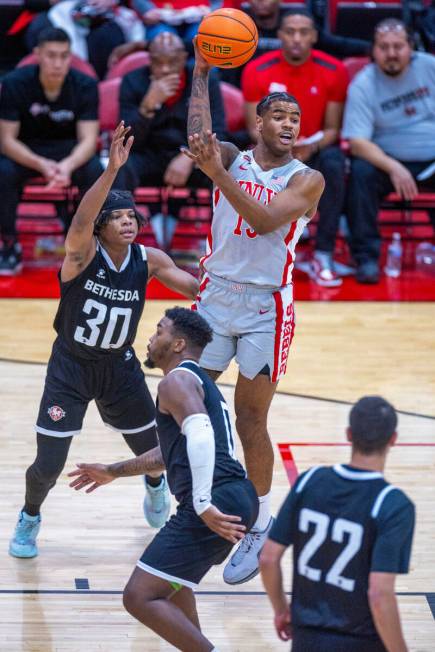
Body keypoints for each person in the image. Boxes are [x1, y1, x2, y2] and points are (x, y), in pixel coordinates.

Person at [9, 122, 200, 559]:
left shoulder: (149, 259)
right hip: (70, 367)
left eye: (132, 215)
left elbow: (193, 288)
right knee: (48, 464)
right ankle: (30, 516)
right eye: (117, 217)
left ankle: (154, 487)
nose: (128, 222)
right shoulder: (80, 256)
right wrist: (112, 170)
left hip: (120, 368)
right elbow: (79, 220)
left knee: (157, 450)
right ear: (100, 226)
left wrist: (232, 284)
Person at [182, 39, 325, 585]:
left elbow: (266, 221)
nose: (289, 124)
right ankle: (185, 493)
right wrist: (200, 73)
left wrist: (218, 177)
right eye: (279, 115)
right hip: (216, 295)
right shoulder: (233, 158)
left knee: (250, 418)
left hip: (268, 305)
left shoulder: (306, 179)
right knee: (187, 399)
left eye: (296, 118)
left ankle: (261, 521)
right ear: (258, 122)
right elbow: (200, 135)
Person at [68, 307, 259, 651]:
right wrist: (113, 471)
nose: (152, 338)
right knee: (173, 585)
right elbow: (167, 454)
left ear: (178, 344)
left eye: (159, 331)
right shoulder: (192, 382)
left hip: (215, 497)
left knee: (138, 596)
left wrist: (202, 504)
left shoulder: (177, 381)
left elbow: (200, 434)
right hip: (235, 494)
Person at [260, 396, 415, 652]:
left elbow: (268, 558)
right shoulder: (393, 505)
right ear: (393, 440)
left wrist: (281, 610)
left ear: (349, 434)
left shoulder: (309, 481)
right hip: (360, 641)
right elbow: (379, 594)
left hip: (306, 639)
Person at [241, 9, 350, 287]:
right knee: (239, 162)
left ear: (314, 36)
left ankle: (322, 254)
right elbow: (255, 127)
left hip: (314, 147)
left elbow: (333, 130)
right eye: (290, 31)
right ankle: (246, 253)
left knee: (335, 163)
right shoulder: (257, 69)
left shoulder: (334, 70)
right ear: (279, 36)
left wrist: (307, 147)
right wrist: (284, 148)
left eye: (304, 32)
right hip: (270, 148)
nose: (297, 38)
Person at [0, 26, 103, 275]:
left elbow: (89, 140)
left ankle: (89, 244)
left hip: (69, 151)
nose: (58, 63)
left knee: (96, 172)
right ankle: (9, 244)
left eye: (64, 56)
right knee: (2, 171)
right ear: (37, 55)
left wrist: (65, 166)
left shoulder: (86, 85)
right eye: (51, 55)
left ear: (71, 57)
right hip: (28, 149)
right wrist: (43, 165)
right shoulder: (14, 83)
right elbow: (6, 141)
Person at [343, 18, 435, 284]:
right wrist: (394, 167)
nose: (392, 53)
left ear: (411, 47)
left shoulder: (430, 67)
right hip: (387, 162)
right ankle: (366, 257)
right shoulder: (363, 84)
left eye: (398, 46)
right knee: (361, 171)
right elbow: (358, 142)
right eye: (384, 47)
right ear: (373, 50)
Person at [114, 31, 226, 249]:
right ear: (149, 60)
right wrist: (148, 105)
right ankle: (117, 245)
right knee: (117, 167)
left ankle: (222, 247)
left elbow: (219, 131)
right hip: (148, 155)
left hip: (192, 158)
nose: (165, 69)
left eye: (172, 62)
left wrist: (190, 157)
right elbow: (126, 140)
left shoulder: (205, 80)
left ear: (185, 59)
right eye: (158, 62)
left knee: (224, 171)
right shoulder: (133, 81)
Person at [220, 0, 369, 89]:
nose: (261, 1)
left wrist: (371, 48)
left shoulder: (295, 25)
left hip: (292, 87)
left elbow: (338, 44)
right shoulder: (240, 28)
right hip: (251, 90)